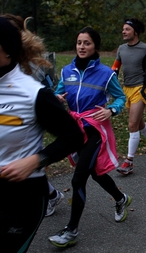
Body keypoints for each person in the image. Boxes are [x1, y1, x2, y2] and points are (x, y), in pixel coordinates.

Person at [0, 16, 84, 253]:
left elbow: (73, 137)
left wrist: (36, 160)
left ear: (7, 50)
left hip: (21, 197)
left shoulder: (33, 93)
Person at [48, 27, 131, 247]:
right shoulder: (67, 70)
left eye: (87, 43)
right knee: (95, 173)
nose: (82, 47)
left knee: (78, 178)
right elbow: (59, 91)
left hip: (95, 130)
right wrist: (57, 97)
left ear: (95, 46)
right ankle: (121, 199)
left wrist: (111, 110)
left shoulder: (106, 73)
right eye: (79, 42)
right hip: (75, 129)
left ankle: (71, 231)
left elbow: (120, 98)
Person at [1, 13, 67, 217]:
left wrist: (36, 161)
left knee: (24, 154)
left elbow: (44, 87)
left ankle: (49, 194)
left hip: (23, 191)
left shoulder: (29, 78)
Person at [111, 18, 146, 175]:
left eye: (127, 29)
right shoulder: (121, 48)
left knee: (132, 124)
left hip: (140, 88)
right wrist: (113, 74)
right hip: (127, 89)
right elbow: (116, 65)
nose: (124, 31)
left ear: (135, 32)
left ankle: (129, 161)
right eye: (123, 29)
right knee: (138, 124)